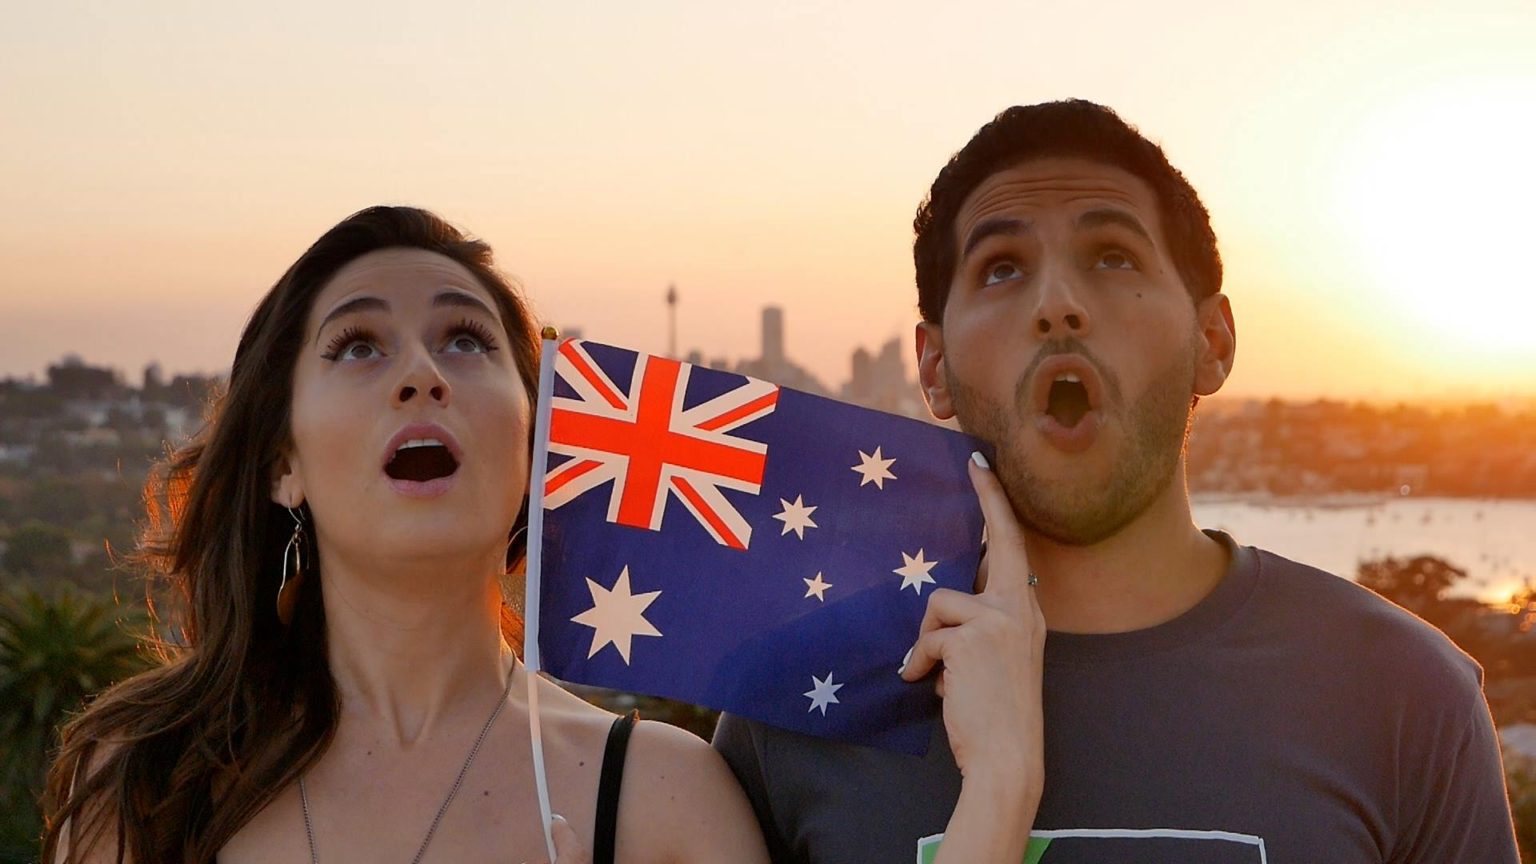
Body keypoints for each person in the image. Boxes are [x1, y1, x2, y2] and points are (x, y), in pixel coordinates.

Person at [713, 99, 1520, 862]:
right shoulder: (800, 712)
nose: (1059, 304)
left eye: (1112, 256)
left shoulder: (1405, 695)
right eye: (1001, 269)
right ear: (934, 367)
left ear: (1213, 339)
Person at [42, 206, 770, 864]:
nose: (422, 374)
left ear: (533, 441)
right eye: (358, 345)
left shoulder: (668, 800)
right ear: (281, 463)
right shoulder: (144, 781)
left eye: (465, 340)